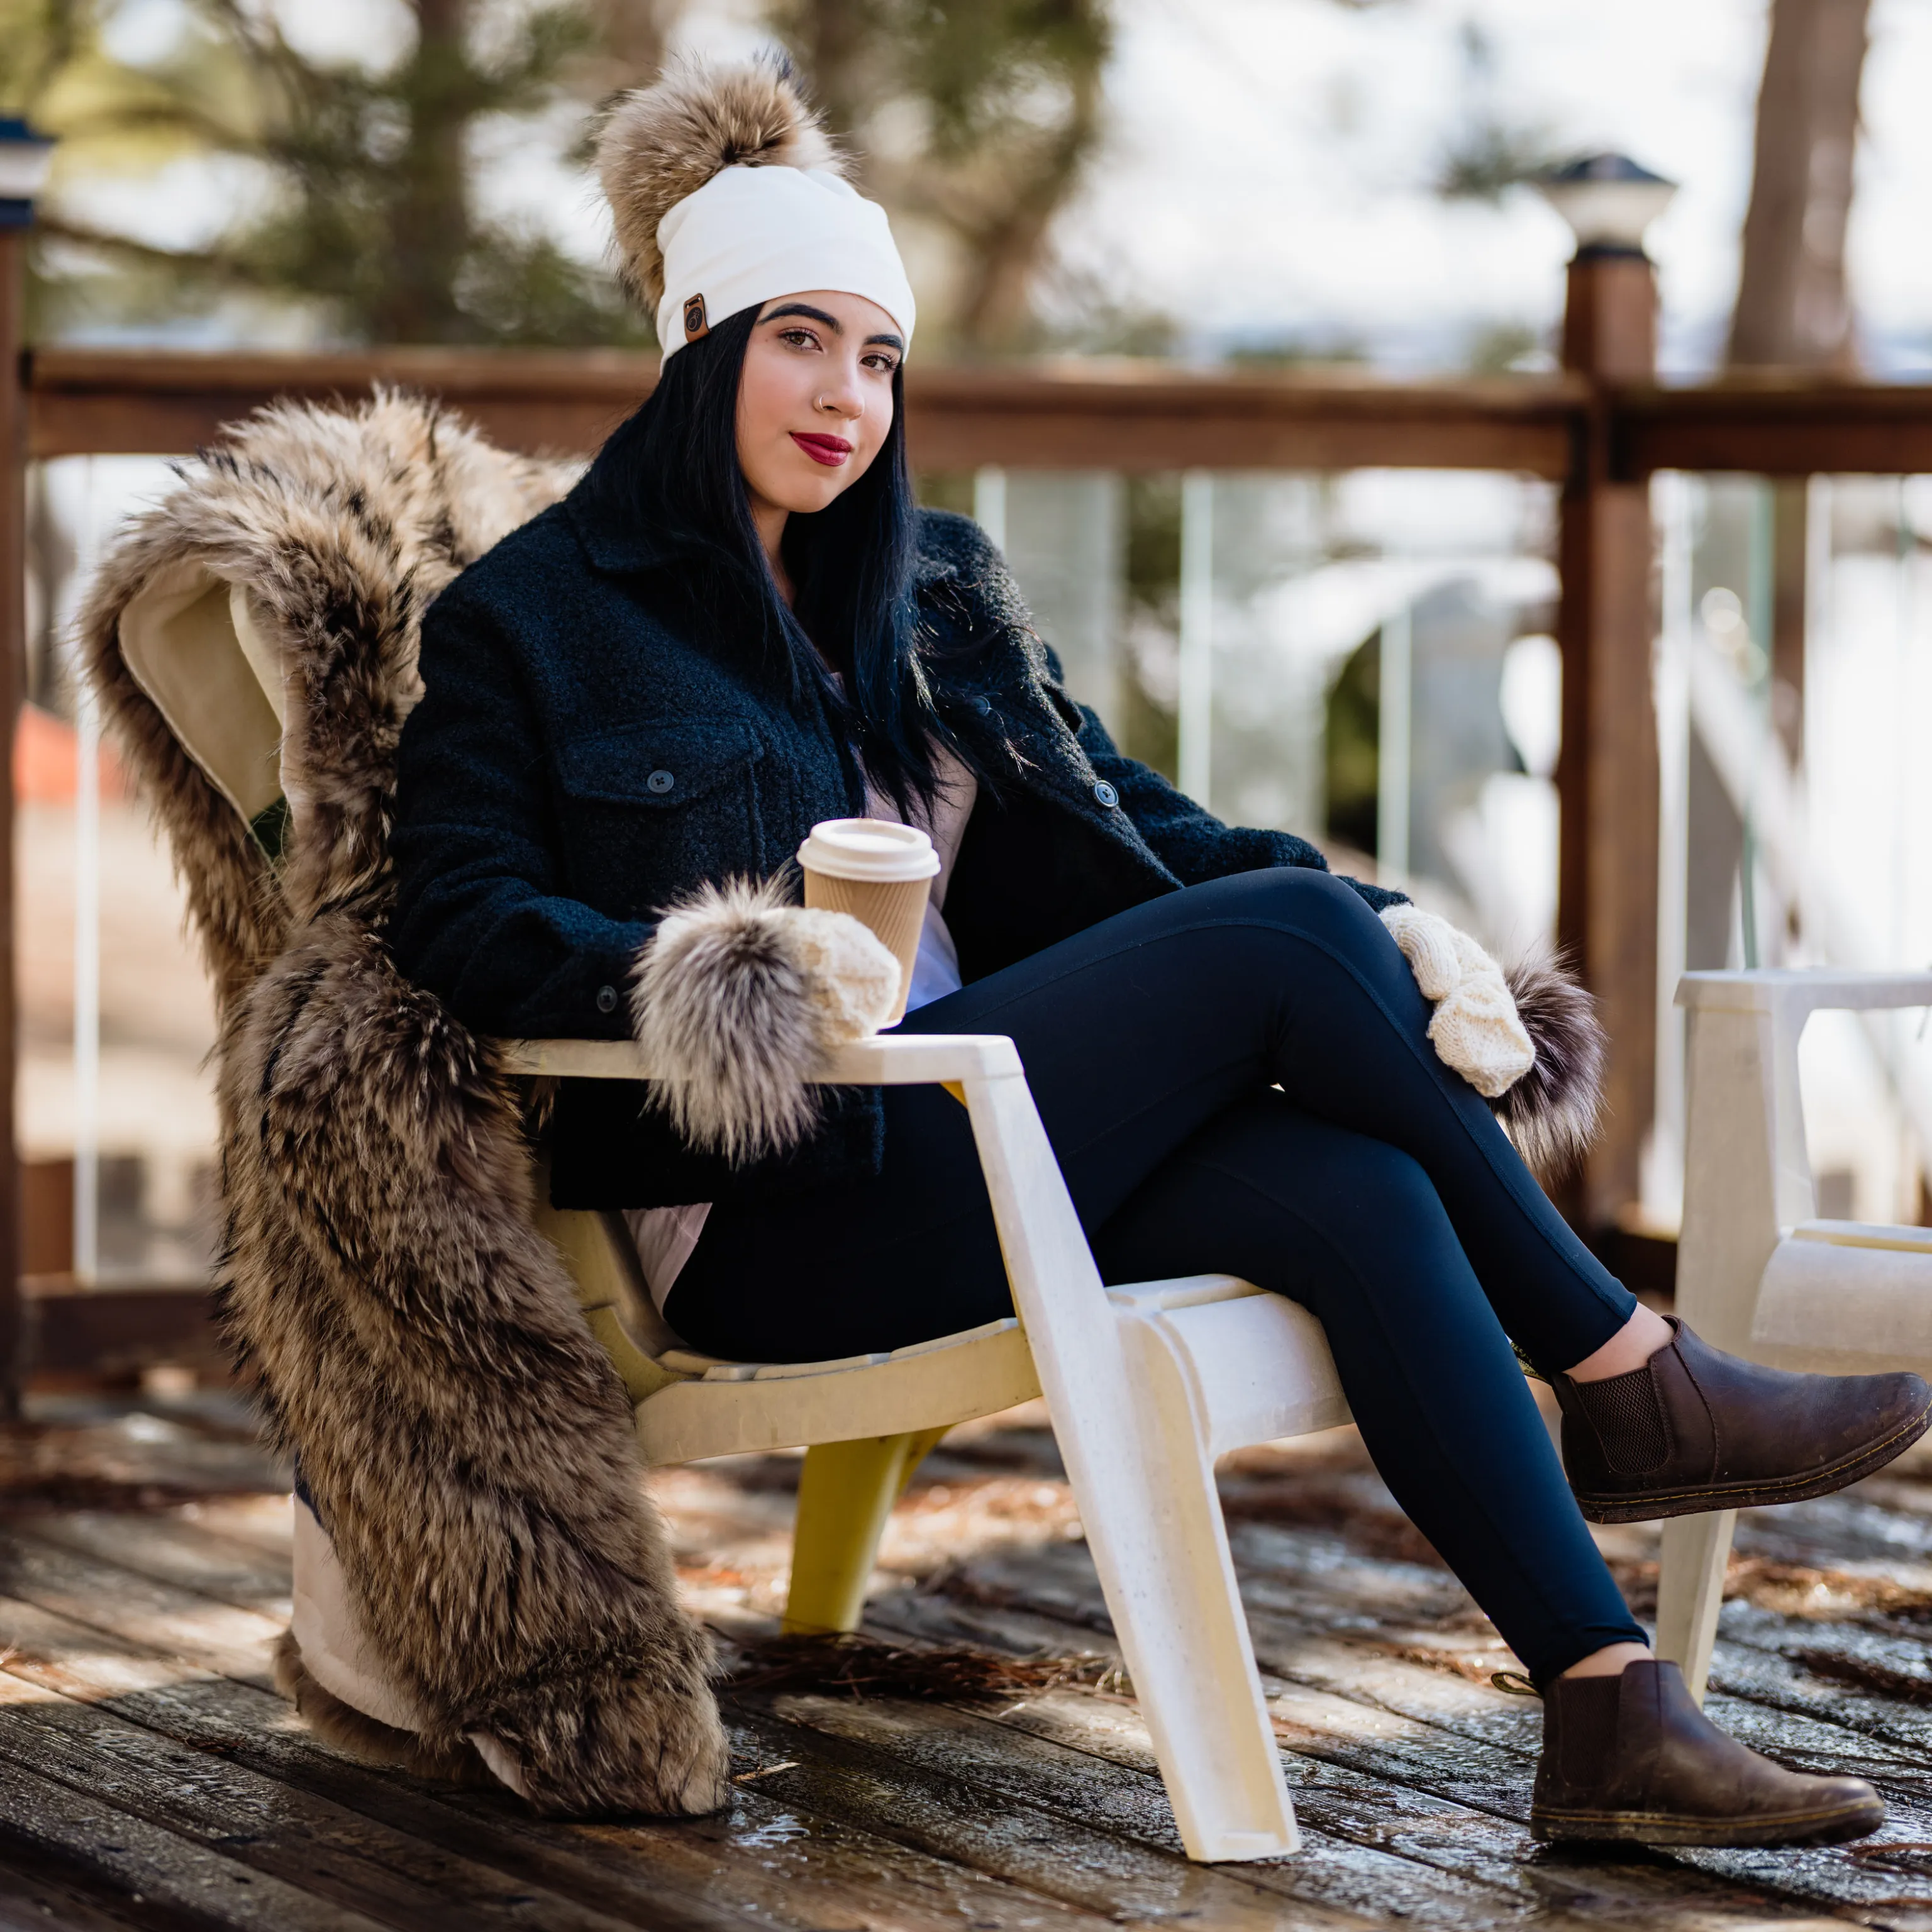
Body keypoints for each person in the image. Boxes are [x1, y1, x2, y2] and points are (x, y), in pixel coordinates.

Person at [387, 57, 1928, 1848]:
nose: (849, 396)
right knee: (1279, 943)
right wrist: (720, 980)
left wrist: (1392, 928)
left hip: (1003, 1140)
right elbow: (459, 919)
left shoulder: (936, 587)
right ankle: (1625, 1372)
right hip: (778, 1209)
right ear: (699, 342)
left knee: (1358, 1179)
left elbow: (1146, 833)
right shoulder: (536, 616)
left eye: (881, 356)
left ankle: (1606, 1715)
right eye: (801, 339)